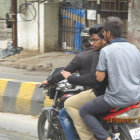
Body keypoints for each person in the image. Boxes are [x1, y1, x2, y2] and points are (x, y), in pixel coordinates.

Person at [79, 16, 140, 140]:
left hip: (115, 99)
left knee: (84, 110)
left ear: (108, 33)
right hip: (135, 97)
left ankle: (105, 137)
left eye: (103, 32)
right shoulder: (134, 49)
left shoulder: (106, 51)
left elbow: (99, 78)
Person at [40, 34, 94, 140]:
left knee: (64, 113)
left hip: (95, 94)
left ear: (82, 44)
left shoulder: (83, 56)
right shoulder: (106, 52)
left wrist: (49, 81)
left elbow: (64, 72)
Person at [61, 24, 107, 140]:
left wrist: (69, 78)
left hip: (102, 94)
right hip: (128, 94)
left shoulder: (98, 53)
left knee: (69, 106)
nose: (92, 43)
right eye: (91, 40)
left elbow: (94, 78)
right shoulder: (128, 50)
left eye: (94, 40)